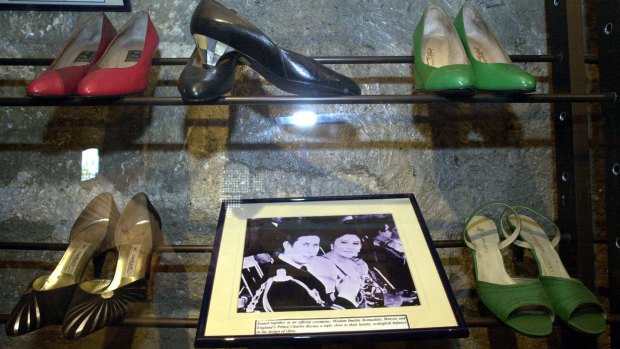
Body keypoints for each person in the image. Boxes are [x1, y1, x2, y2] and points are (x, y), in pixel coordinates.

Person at [243, 218, 359, 312]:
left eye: (315, 245)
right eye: (305, 244)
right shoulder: (282, 282)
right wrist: (346, 296)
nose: (311, 251)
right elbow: (318, 326)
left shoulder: (294, 270)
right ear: (287, 245)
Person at [306, 228, 386, 308]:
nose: (350, 247)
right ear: (332, 243)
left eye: (355, 243)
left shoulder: (357, 264)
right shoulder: (318, 263)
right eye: (344, 242)